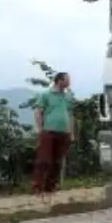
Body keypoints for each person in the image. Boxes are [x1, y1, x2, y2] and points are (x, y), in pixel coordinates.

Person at [32, 72, 75, 203]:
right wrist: (39, 128)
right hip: (49, 131)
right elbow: (38, 111)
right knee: (44, 160)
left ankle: (50, 188)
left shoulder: (67, 96)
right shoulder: (46, 95)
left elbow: (70, 114)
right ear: (59, 81)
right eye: (67, 80)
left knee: (57, 161)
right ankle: (37, 188)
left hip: (63, 132)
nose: (69, 82)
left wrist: (71, 132)